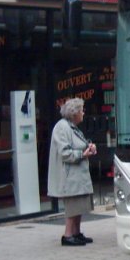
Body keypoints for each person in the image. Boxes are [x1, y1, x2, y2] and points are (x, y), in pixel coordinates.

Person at [48, 98, 97, 246]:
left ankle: (76, 233)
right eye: (81, 109)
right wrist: (83, 154)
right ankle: (68, 235)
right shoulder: (62, 127)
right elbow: (65, 153)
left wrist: (89, 147)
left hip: (77, 175)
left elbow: (78, 144)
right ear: (74, 113)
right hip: (70, 175)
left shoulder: (72, 127)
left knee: (79, 205)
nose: (83, 112)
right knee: (72, 206)